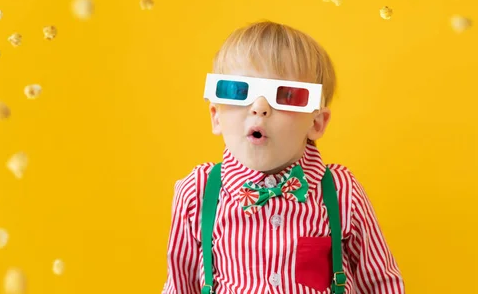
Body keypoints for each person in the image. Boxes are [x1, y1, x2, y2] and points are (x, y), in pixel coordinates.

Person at [162, 20, 405, 293]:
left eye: (287, 95)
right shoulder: (197, 192)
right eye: (239, 91)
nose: (259, 107)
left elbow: (380, 283)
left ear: (317, 123)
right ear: (216, 116)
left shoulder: (340, 191)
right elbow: (180, 287)